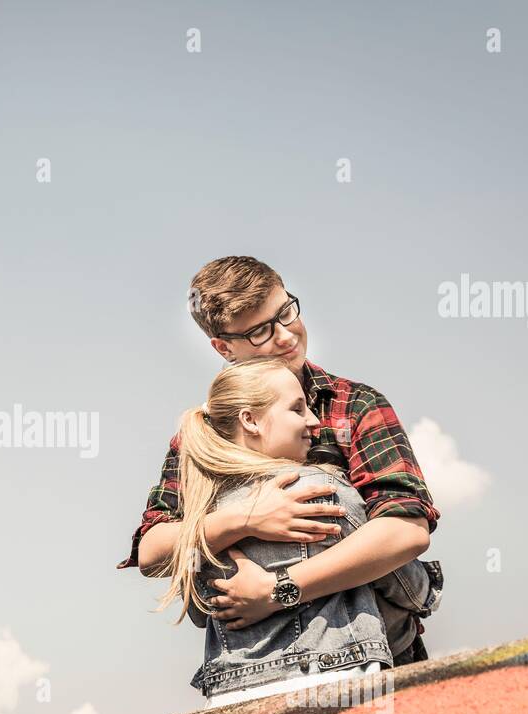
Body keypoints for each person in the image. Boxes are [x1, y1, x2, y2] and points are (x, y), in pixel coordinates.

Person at [117, 255, 442, 668]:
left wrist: (278, 589)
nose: (286, 336)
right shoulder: (200, 434)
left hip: (376, 658)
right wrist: (247, 518)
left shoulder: (354, 404)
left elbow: (406, 531)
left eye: (285, 312)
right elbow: (153, 553)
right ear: (223, 347)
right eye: (259, 332)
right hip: (254, 669)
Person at [153, 358, 443, 706]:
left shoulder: (201, 512)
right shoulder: (320, 490)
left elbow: (200, 611)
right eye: (297, 409)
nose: (313, 421)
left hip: (230, 693)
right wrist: (428, 588)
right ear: (251, 420)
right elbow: (403, 582)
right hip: (335, 680)